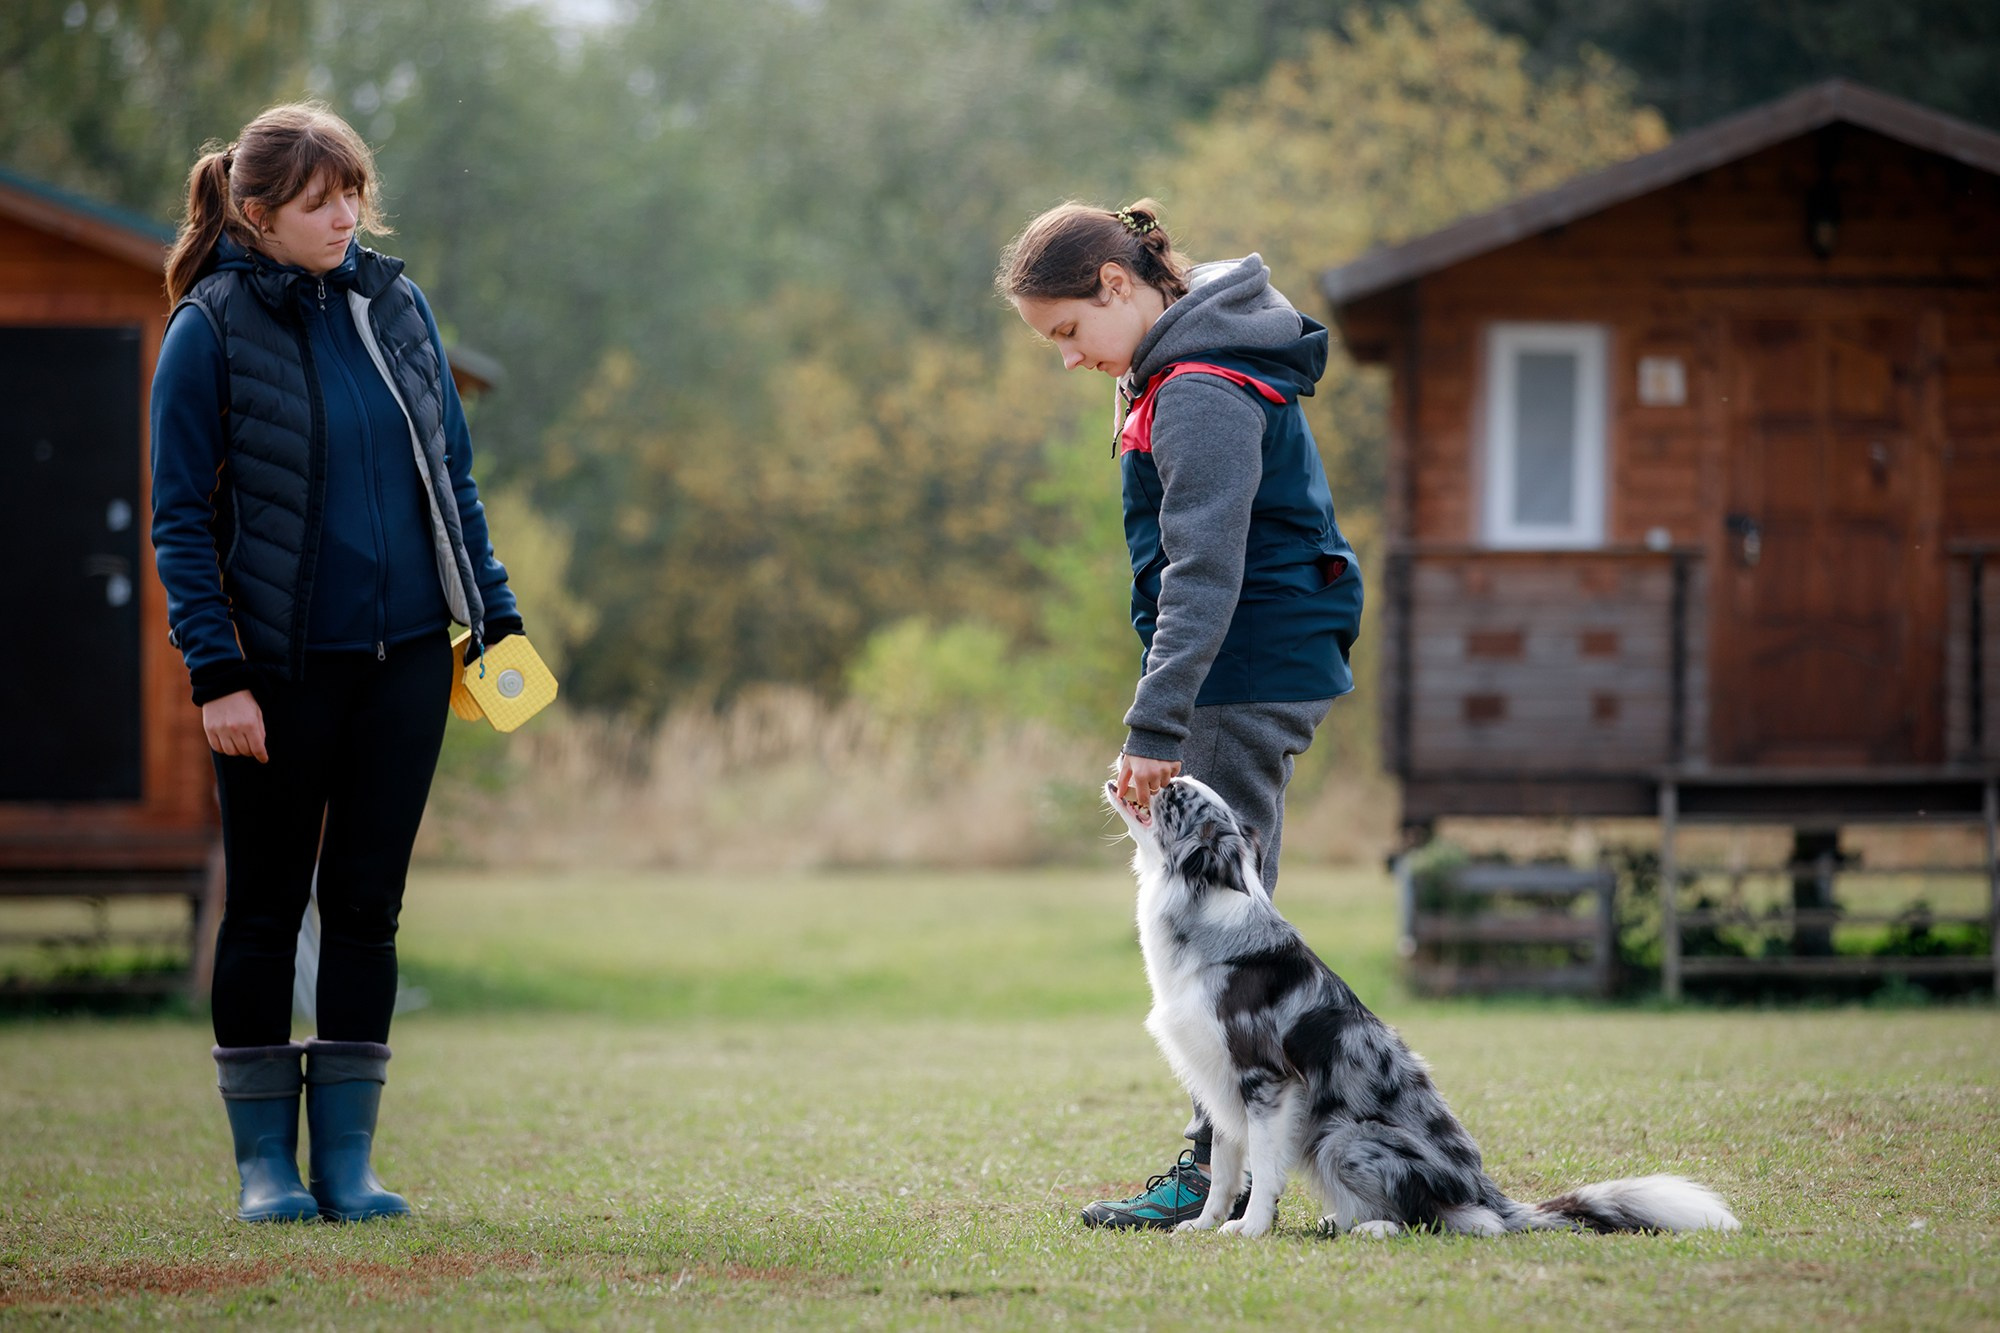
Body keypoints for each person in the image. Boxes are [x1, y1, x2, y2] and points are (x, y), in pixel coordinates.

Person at [152, 103, 520, 1222]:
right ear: (257, 214)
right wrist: (218, 674)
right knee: (266, 910)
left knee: (367, 905)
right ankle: (265, 1165)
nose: (345, 217)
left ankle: (347, 1165)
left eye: (353, 192)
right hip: (276, 672)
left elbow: (451, 478)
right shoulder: (207, 330)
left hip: (405, 660)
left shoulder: (398, 306)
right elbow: (178, 520)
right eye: (319, 202)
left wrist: (495, 618)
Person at [998, 200, 1362, 1229]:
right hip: (1251, 660)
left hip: (1239, 667)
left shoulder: (1198, 384)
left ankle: (1216, 1173)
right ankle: (1247, 1157)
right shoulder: (1183, 365)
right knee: (1232, 916)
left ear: (1117, 284)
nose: (1068, 357)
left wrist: (1154, 728)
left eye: (1069, 330)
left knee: (1221, 930)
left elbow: (1204, 573)